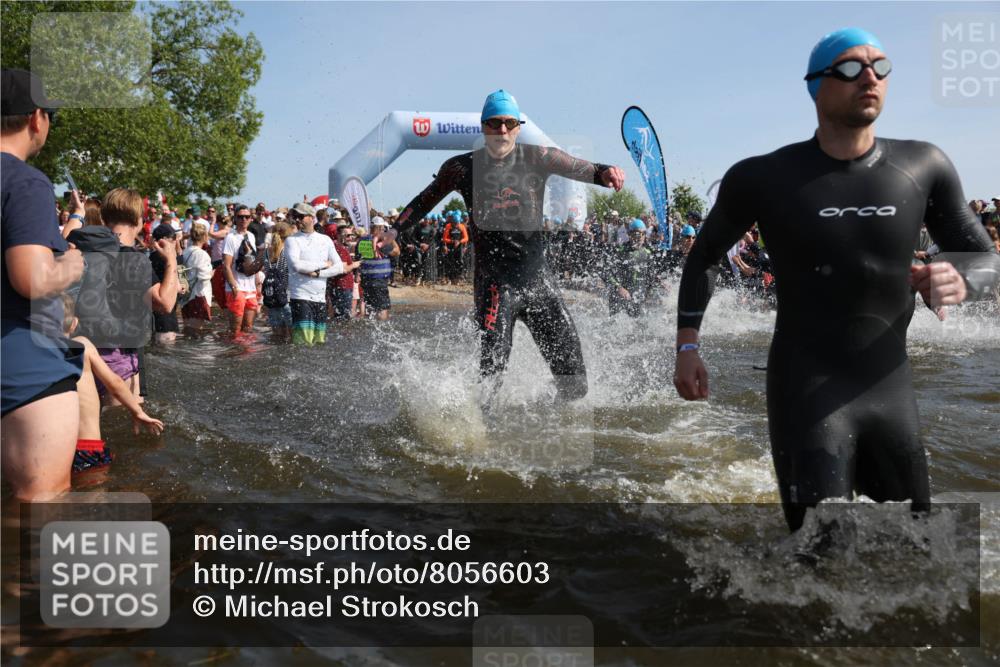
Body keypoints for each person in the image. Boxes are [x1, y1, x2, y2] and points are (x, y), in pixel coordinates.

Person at [673, 28, 1000, 532]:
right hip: (807, 387)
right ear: (815, 85)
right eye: (850, 68)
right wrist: (688, 348)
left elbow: (985, 260)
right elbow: (704, 258)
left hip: (891, 386)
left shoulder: (923, 164)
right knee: (817, 553)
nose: (869, 77)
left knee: (915, 549)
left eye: (880, 67)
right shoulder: (763, 177)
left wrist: (962, 280)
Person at [396, 89, 625, 399]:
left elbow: (582, 167)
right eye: (493, 123)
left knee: (575, 388)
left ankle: (548, 425)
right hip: (496, 288)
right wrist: (394, 229)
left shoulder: (539, 157)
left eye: (507, 123)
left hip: (540, 285)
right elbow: (424, 201)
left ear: (518, 126)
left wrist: (605, 172)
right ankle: (479, 440)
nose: (501, 130)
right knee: (490, 384)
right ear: (482, 126)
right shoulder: (461, 167)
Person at [1, 68, 88, 501]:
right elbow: (31, 277)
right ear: (37, 118)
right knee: (42, 496)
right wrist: (70, 266)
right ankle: (25, 574)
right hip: (23, 365)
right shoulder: (23, 180)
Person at [60, 295, 164, 474]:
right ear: (74, 324)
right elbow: (115, 383)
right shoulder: (83, 345)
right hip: (87, 447)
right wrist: (137, 411)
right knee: (94, 493)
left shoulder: (36, 355)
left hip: (54, 450)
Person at [284, 202, 345, 344]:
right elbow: (297, 265)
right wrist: (324, 264)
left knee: (319, 343)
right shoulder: (291, 240)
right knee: (303, 343)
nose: (297, 219)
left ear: (312, 217)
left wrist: (318, 274)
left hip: (320, 299)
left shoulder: (325, 239)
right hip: (300, 297)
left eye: (301, 216)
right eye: (295, 216)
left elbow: (339, 267)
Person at [221, 204, 261, 337]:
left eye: (247, 217)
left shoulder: (251, 236)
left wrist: (257, 285)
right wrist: (234, 287)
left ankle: (246, 354)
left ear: (250, 219)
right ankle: (233, 354)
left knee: (248, 327)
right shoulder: (230, 237)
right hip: (237, 288)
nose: (243, 219)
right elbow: (226, 266)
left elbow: (252, 262)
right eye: (240, 217)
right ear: (235, 219)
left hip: (250, 287)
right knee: (235, 329)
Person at [607, 219, 657, 317]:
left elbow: (651, 278)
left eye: (643, 234)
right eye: (638, 234)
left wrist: (649, 293)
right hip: (619, 299)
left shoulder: (647, 253)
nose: (641, 237)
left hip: (638, 299)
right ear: (630, 234)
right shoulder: (621, 252)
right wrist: (619, 288)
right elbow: (608, 273)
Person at [356, 217, 398, 321]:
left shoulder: (361, 240)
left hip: (366, 281)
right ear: (380, 228)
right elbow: (397, 252)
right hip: (379, 281)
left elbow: (358, 258)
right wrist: (391, 238)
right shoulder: (382, 241)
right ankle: (382, 330)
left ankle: (371, 330)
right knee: (382, 308)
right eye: (383, 228)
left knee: (371, 308)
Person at [181, 223, 214, 334]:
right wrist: (212, 273)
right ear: (205, 236)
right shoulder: (202, 254)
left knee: (187, 329)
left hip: (185, 296)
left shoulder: (185, 251)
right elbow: (204, 277)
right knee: (195, 331)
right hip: (198, 295)